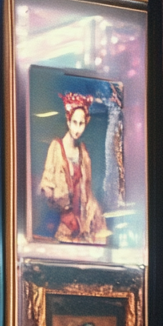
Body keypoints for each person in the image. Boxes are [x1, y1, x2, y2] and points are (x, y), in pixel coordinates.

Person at [39, 92, 107, 244]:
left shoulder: (83, 152)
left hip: (81, 222)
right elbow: (46, 185)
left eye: (81, 123)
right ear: (68, 122)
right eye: (74, 122)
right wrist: (60, 206)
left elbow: (87, 191)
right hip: (61, 221)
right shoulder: (56, 147)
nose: (77, 128)